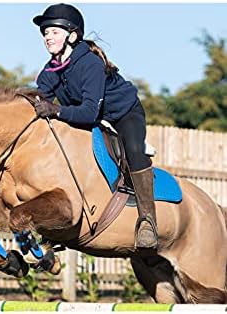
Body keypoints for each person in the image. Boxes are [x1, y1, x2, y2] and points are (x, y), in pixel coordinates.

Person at [32, 3, 158, 250]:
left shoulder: (90, 64)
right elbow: (38, 98)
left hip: (123, 113)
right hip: (89, 117)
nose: (48, 37)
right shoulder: (50, 70)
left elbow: (89, 112)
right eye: (45, 32)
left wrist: (56, 110)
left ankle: (148, 222)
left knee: (134, 151)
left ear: (72, 35)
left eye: (54, 32)